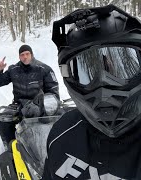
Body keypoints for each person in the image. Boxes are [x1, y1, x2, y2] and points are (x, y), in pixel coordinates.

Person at [43, 4, 141, 179]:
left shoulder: (63, 134)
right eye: (87, 72)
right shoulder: (62, 134)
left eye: (120, 68)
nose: (104, 86)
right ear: (68, 76)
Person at [0, 44, 60, 147]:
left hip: (39, 105)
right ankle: (11, 146)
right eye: (22, 55)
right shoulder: (13, 69)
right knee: (3, 120)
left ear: (31, 54)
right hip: (19, 105)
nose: (25, 57)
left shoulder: (44, 69)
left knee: (57, 119)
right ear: (19, 57)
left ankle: (51, 145)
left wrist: (43, 104)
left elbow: (53, 91)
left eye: (27, 54)